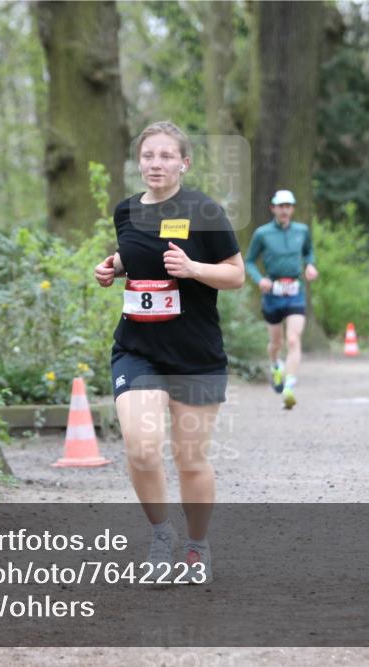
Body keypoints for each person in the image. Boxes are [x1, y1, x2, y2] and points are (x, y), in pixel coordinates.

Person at [94, 121, 244, 583]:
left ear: (184, 162)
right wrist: (113, 267)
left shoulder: (205, 210)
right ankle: (161, 535)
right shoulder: (126, 211)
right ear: (139, 162)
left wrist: (195, 268)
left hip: (195, 355)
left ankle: (197, 546)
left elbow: (236, 274)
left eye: (165, 156)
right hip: (137, 349)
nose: (155, 164)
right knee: (141, 450)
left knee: (190, 460)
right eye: (148, 156)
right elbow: (137, 254)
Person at [244, 189, 319, 409]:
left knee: (294, 339)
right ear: (273, 208)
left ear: (292, 209)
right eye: (281, 206)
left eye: (288, 206)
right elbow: (249, 261)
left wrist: (311, 265)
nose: (285, 210)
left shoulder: (302, 231)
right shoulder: (262, 233)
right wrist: (260, 280)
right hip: (273, 292)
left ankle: (289, 386)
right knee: (276, 342)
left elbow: (309, 252)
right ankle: (275, 365)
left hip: (295, 290)